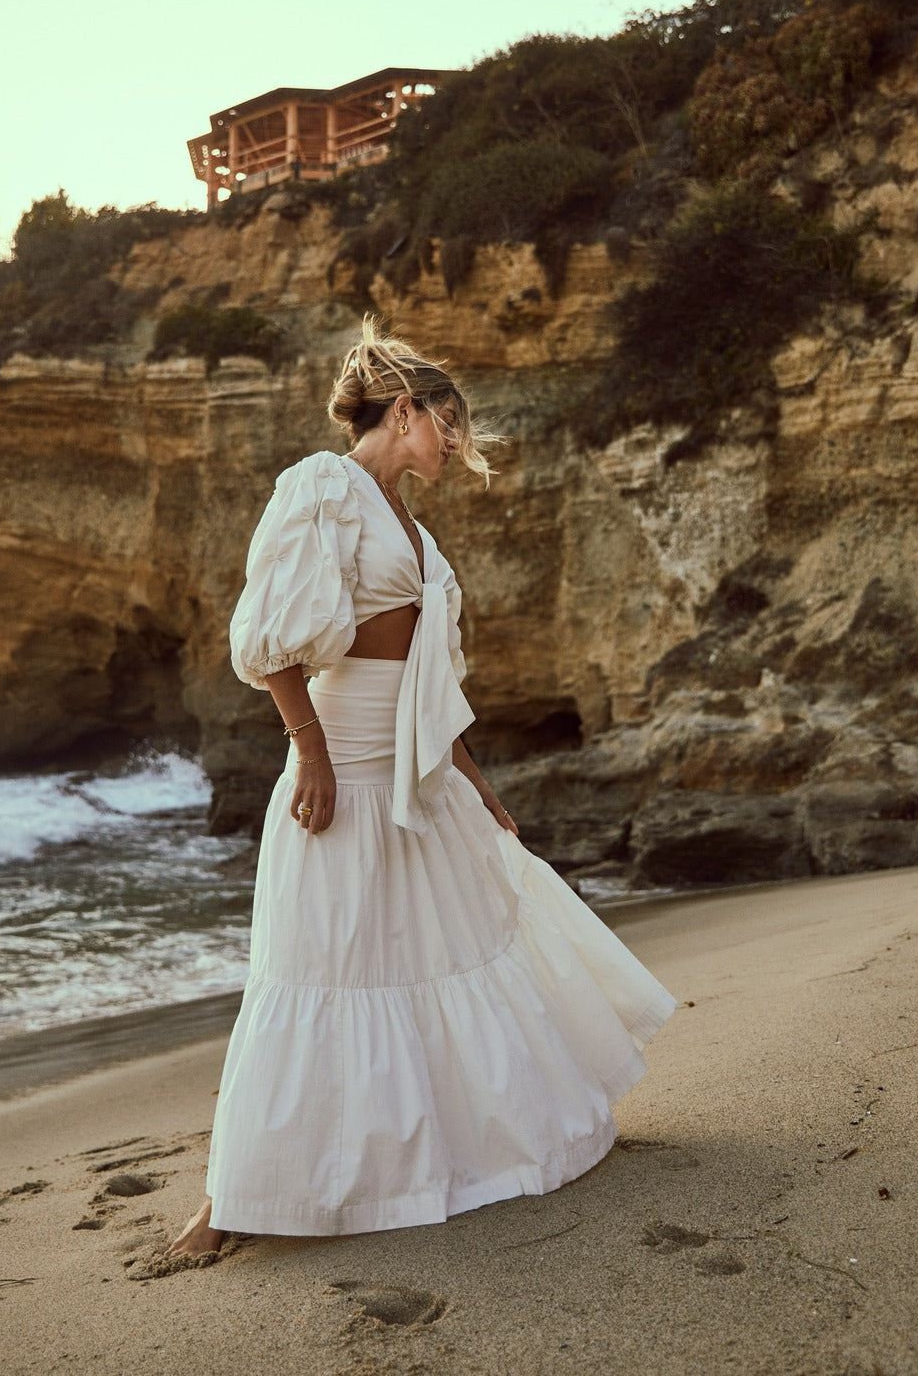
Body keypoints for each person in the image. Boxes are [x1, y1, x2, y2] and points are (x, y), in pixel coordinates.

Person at [169, 317, 675, 1256]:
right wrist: (310, 750)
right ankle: (233, 1197)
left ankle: (456, 1157)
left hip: (420, 771)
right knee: (318, 964)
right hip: (343, 763)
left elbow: (429, 685)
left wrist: (474, 779)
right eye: (449, 426)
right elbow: (274, 640)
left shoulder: (412, 524)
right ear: (404, 411)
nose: (459, 447)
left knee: (456, 943)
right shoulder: (323, 487)